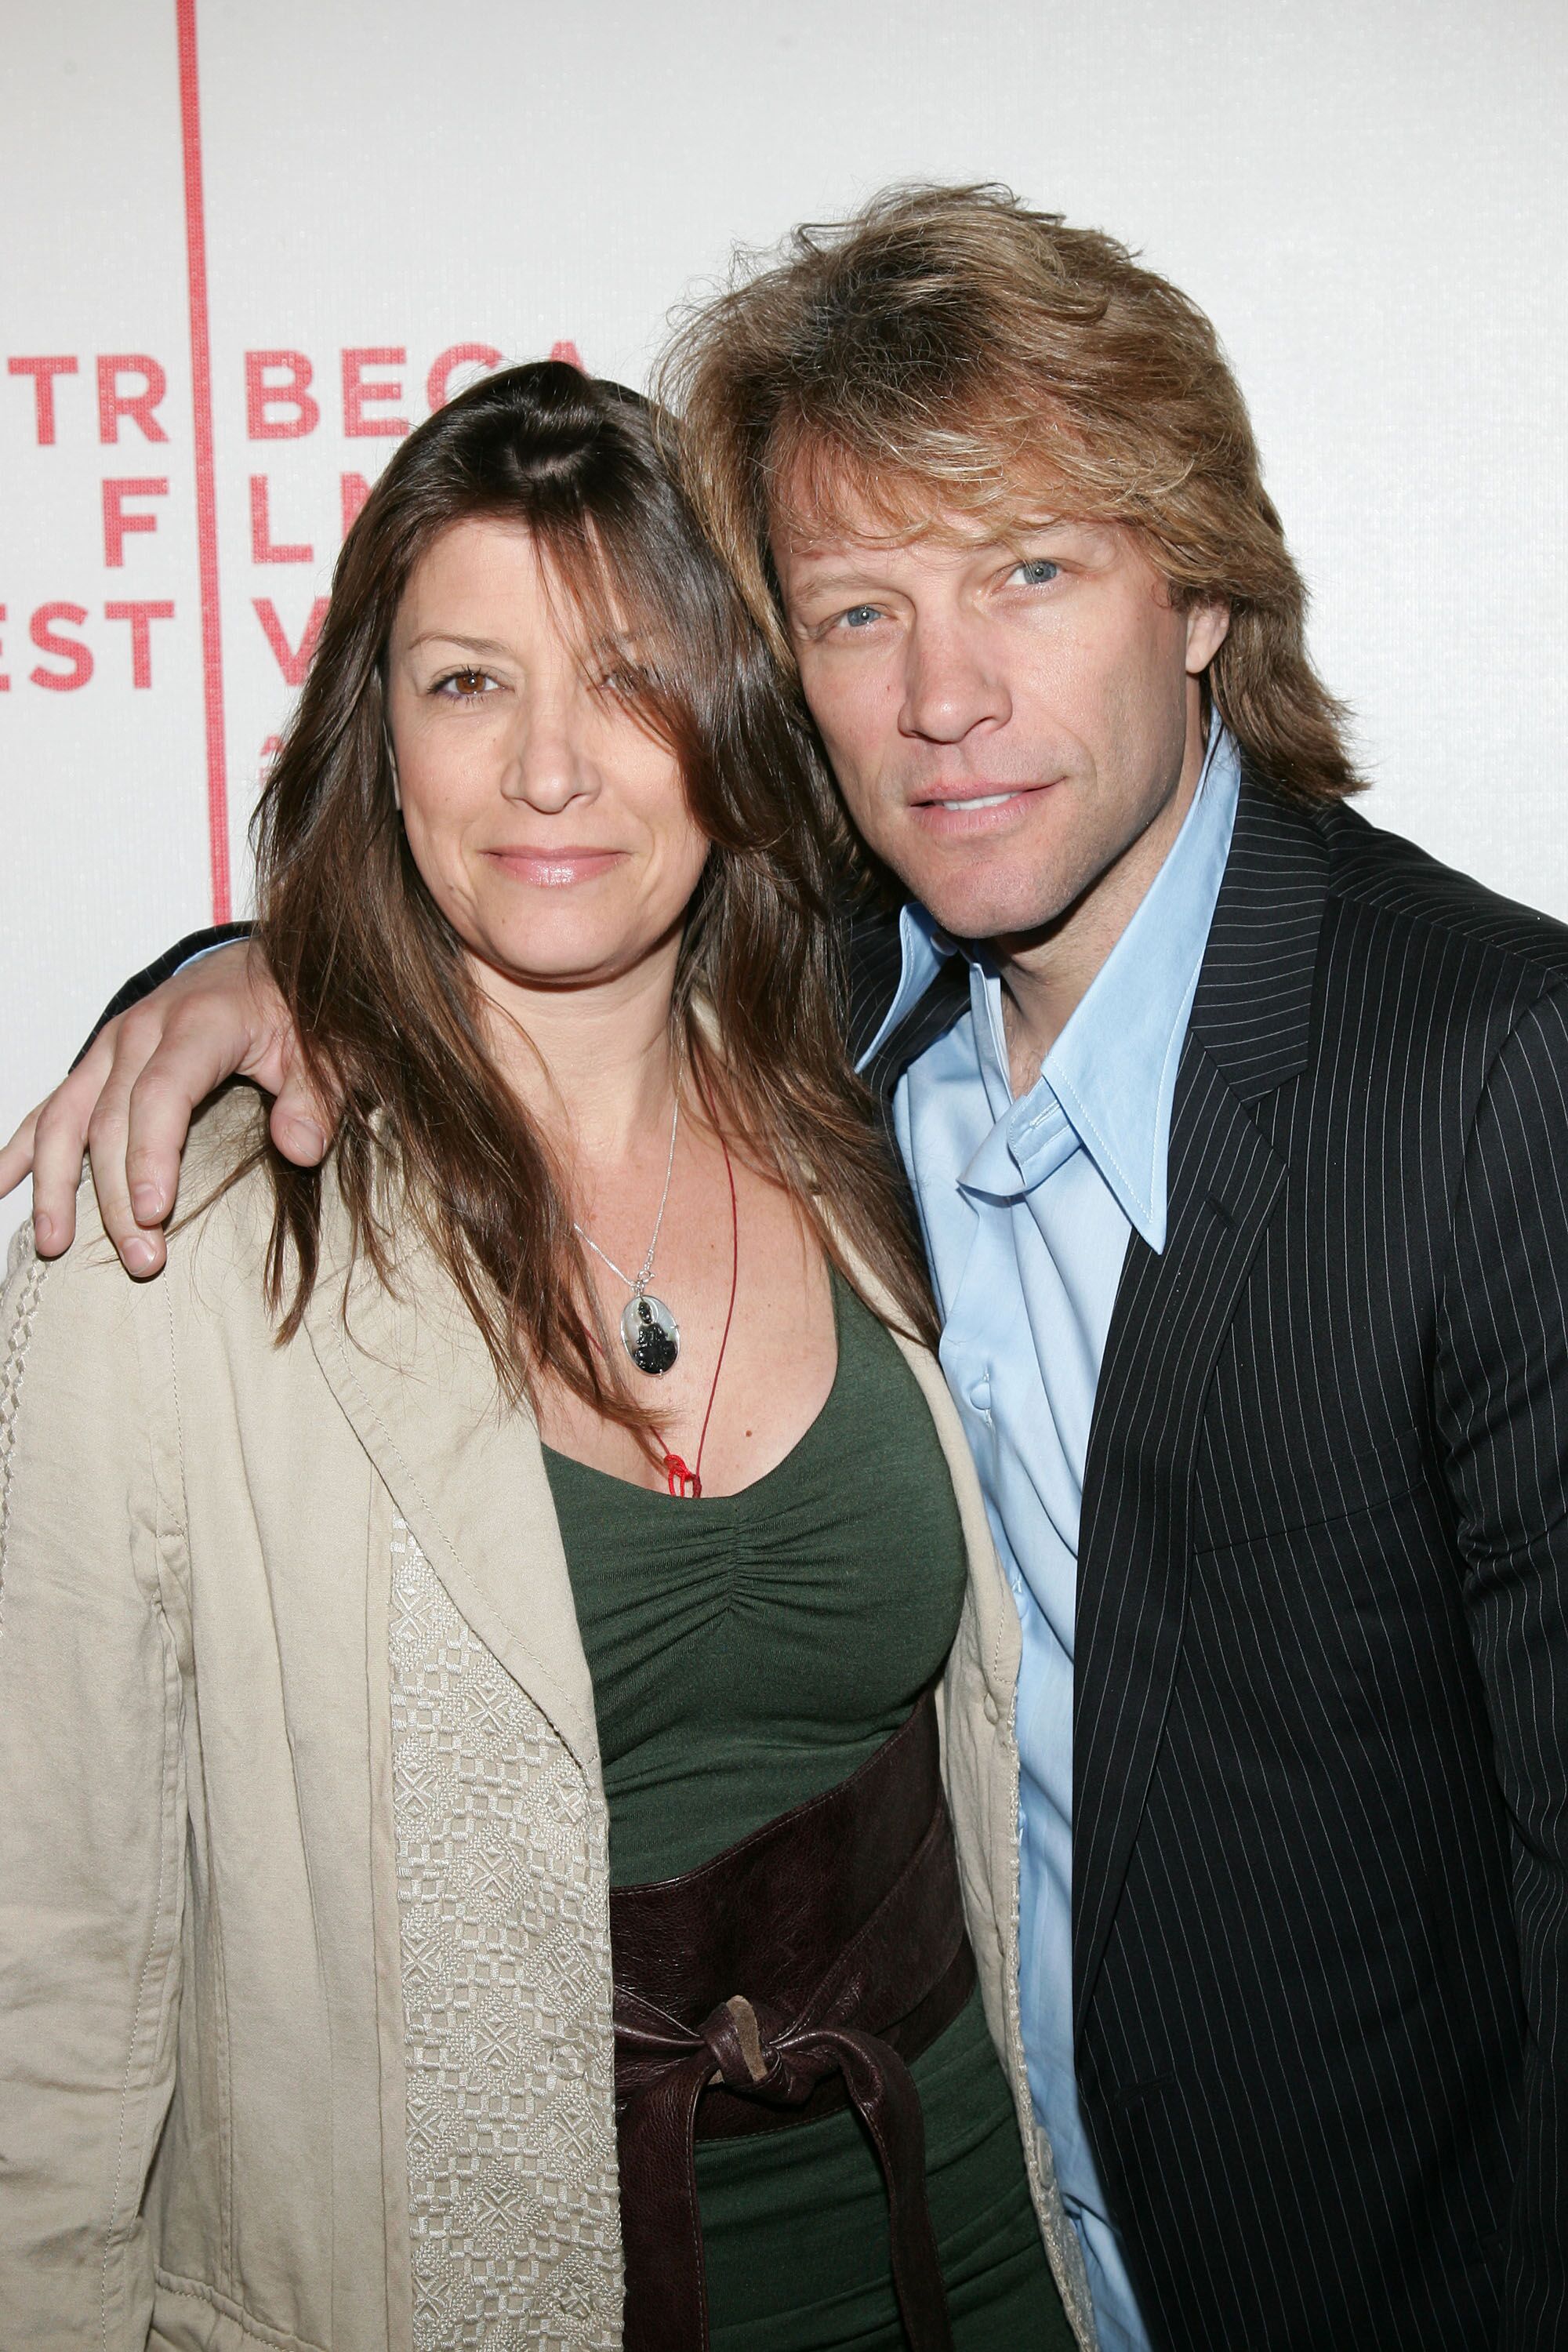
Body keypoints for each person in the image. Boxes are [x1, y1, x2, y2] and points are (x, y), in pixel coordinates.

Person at [9, 180, 1566, 2350]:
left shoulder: (1491, 1075)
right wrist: (240, 967)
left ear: (1200, 589)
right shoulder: (841, 1025)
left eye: (1033, 570)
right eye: (853, 613)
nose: (947, 696)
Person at [0, 361, 1083, 2350]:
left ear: (735, 727)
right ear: (377, 740)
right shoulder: (171, 1247)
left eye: (622, 674)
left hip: (960, 2255)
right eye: (467, 683)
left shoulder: (888, 1114)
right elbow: (42, 1981)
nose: (551, 771)